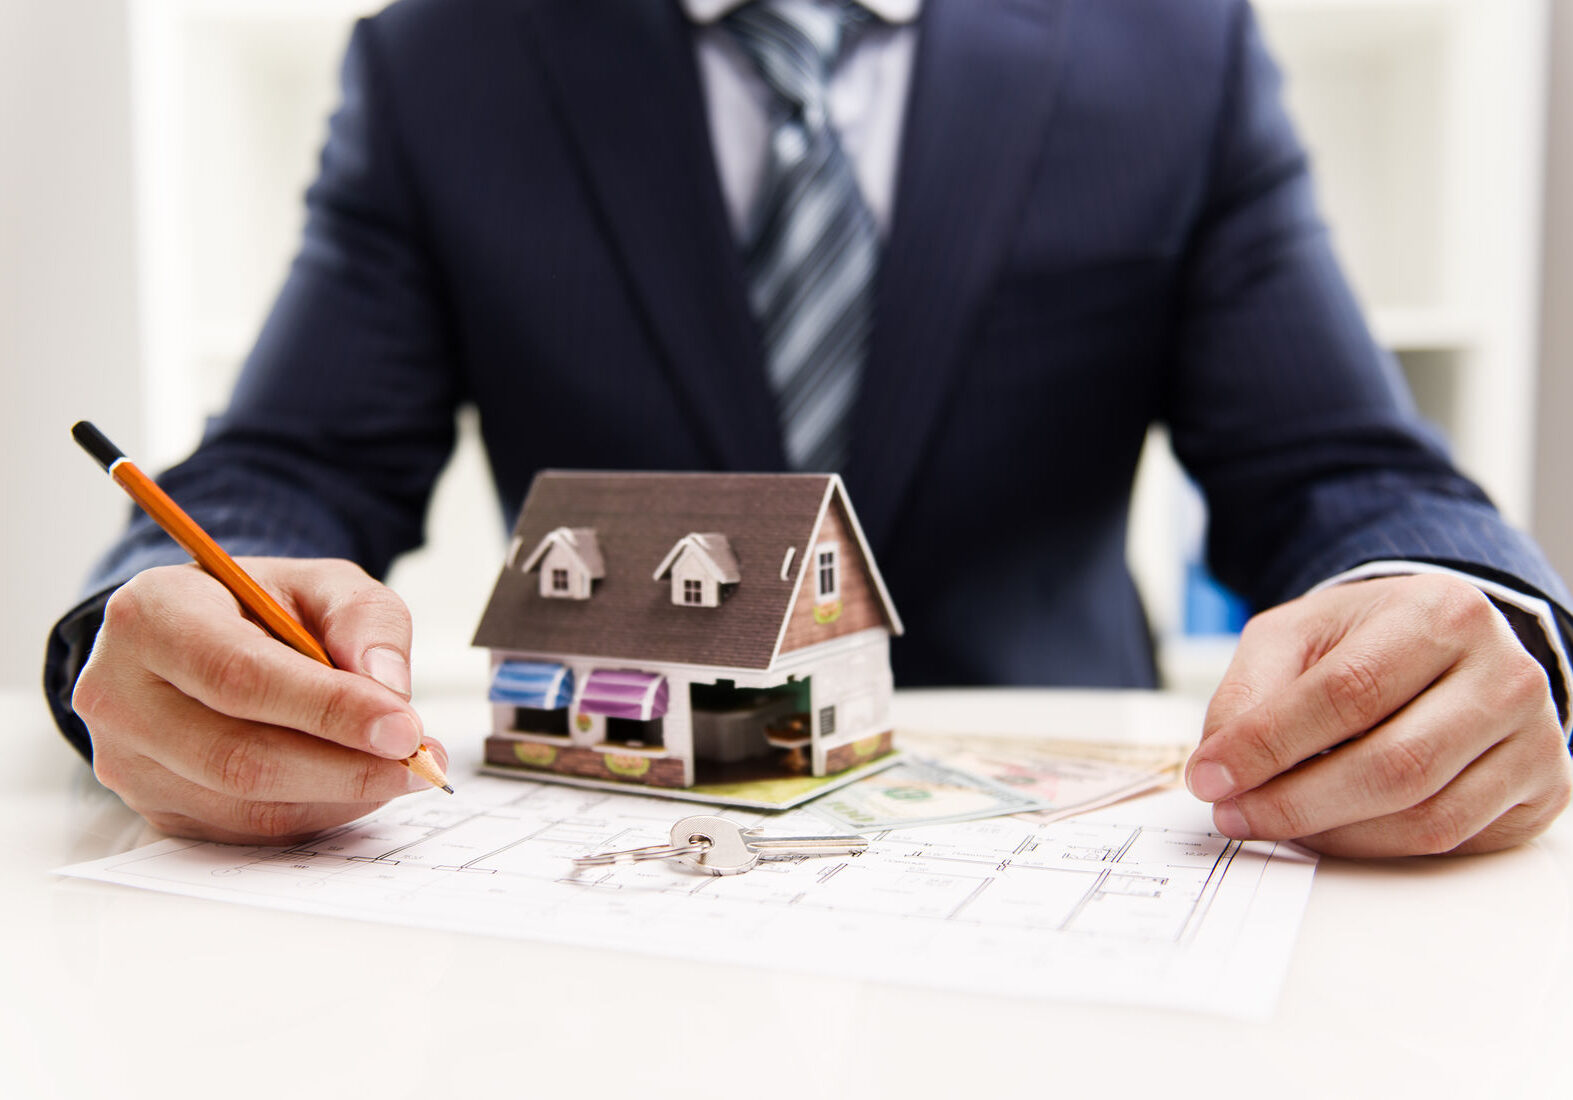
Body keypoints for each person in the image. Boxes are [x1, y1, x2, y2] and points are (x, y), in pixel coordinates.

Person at [47, 0, 1573, 854]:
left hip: (1066, 850)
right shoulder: (444, 59)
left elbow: (1338, 467)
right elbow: (292, 463)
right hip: (610, 872)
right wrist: (158, 615)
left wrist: (1466, 624)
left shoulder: (1179, 49)